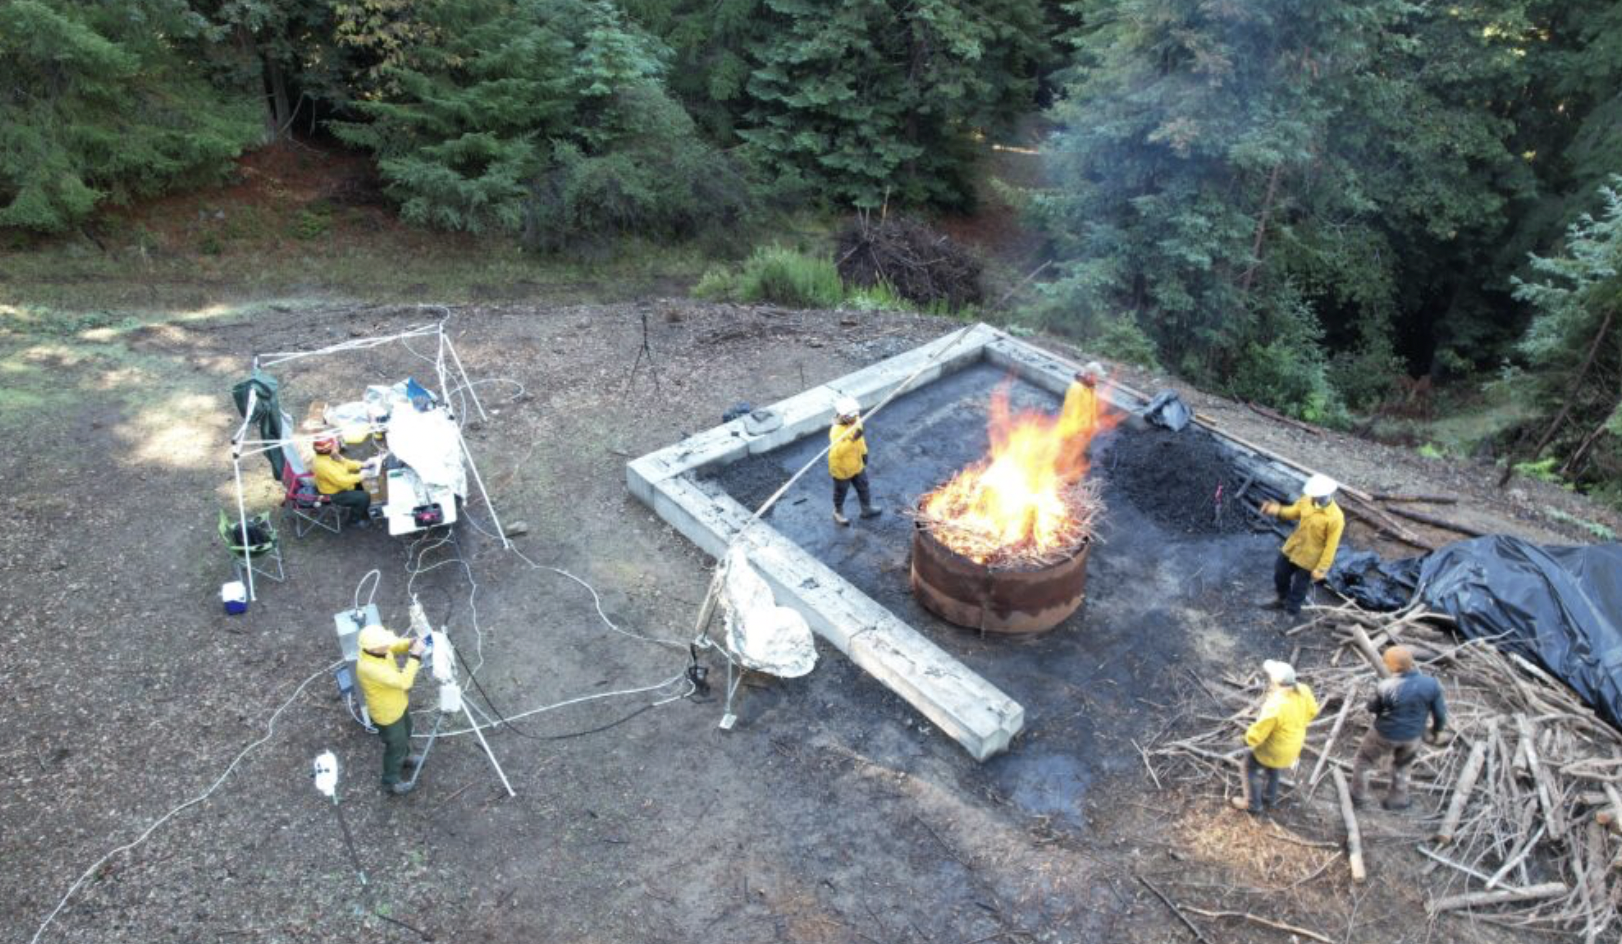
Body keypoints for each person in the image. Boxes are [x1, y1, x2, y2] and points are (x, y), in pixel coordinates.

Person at [1351, 645, 1448, 810]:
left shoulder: (1386, 686)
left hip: (1384, 733)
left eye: (1386, 662)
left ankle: (1358, 797)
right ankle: (1397, 800)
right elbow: (1440, 714)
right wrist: (1436, 731)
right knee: (1403, 766)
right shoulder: (1431, 684)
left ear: (1394, 667)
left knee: (1364, 760)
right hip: (1412, 736)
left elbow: (1372, 708)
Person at [1232, 660, 1319, 815]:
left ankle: (1253, 804)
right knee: (1274, 766)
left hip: (1274, 749)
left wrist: (1246, 740)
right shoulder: (1304, 690)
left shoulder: (1276, 705)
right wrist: (1297, 725)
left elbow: (1258, 733)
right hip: (1293, 747)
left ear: (1276, 682)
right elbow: (1313, 711)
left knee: (1248, 766)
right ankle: (1270, 798)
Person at [1259, 473, 1344, 615]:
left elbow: (1331, 546)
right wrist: (1277, 510)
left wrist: (1322, 568)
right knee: (1280, 573)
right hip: (1293, 547)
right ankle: (1282, 599)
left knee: (1300, 586)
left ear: (1326, 495)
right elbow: (1292, 512)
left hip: (1310, 557)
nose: (1313, 497)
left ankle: (1292, 611)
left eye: (1316, 495)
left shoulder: (1335, 518)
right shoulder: (1306, 500)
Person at [356, 624, 426, 795]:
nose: (388, 645)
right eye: (384, 643)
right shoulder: (370, 668)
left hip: (399, 704)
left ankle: (405, 758)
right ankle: (391, 780)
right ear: (374, 648)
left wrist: (409, 643)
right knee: (395, 746)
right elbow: (404, 682)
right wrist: (415, 655)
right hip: (387, 715)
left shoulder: (377, 650)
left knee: (406, 732)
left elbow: (393, 645)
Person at [828, 397, 881, 526]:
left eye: (856, 415)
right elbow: (837, 452)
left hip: (857, 463)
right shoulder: (836, 431)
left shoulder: (856, 420)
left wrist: (864, 452)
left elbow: (860, 440)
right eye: (851, 417)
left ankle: (866, 509)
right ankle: (838, 512)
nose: (855, 418)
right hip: (842, 469)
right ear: (843, 416)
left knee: (863, 486)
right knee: (841, 492)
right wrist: (852, 440)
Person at [312, 434, 371, 526]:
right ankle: (354, 521)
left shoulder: (331, 456)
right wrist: (360, 476)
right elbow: (342, 482)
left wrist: (362, 465)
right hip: (333, 493)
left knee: (361, 484)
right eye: (335, 444)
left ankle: (362, 509)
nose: (338, 446)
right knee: (364, 497)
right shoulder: (322, 465)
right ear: (329, 449)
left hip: (340, 486)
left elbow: (346, 463)